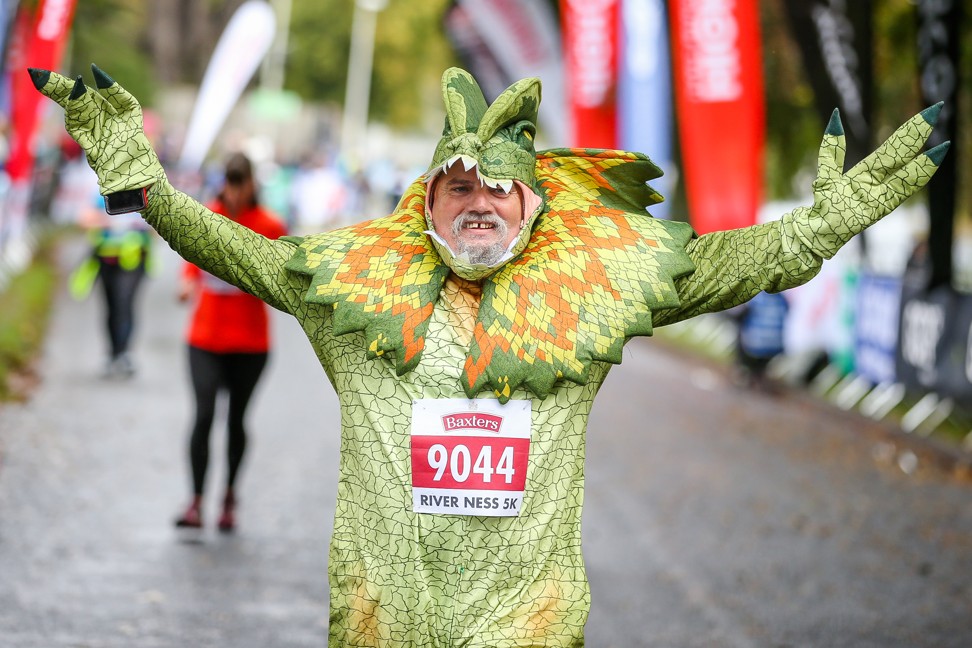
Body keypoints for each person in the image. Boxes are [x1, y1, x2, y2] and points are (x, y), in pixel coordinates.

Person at [31, 64, 948, 646]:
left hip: (527, 626)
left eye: (499, 191)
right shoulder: (351, 291)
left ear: (536, 205)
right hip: (379, 621)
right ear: (423, 201)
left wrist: (827, 222)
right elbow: (233, 247)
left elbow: (733, 262)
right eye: (457, 186)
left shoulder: (592, 290)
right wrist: (141, 182)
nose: (479, 201)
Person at [174, 153, 288, 533]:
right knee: (204, 415)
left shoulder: (270, 225)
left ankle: (228, 496)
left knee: (237, 419)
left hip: (250, 343)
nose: (236, 192)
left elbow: (282, 277)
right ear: (224, 182)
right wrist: (188, 282)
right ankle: (195, 501)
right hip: (205, 337)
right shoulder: (208, 216)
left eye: (243, 183)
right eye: (231, 182)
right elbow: (190, 261)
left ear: (253, 183)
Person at [70, 191, 153, 378]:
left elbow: (157, 227)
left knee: (125, 303)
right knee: (111, 306)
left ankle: (124, 353)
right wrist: (110, 222)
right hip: (106, 259)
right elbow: (83, 219)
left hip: (134, 260)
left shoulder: (143, 192)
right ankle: (113, 353)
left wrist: (137, 224)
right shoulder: (104, 193)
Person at [730, 290, 790, 391]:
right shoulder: (783, 300)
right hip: (775, 347)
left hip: (752, 343)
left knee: (743, 328)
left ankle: (743, 370)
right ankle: (758, 374)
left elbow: (739, 314)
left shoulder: (757, 296)